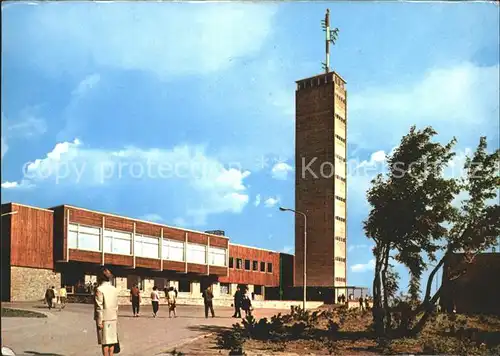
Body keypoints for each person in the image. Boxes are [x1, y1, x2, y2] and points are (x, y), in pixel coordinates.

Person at [94, 267, 119, 356]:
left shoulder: (99, 289)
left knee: (105, 342)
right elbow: (116, 306)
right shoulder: (114, 289)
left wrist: (99, 321)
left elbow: (99, 306)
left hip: (104, 319)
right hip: (113, 317)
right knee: (112, 340)